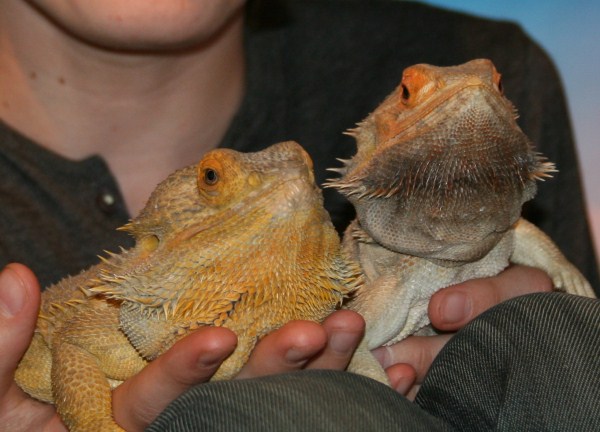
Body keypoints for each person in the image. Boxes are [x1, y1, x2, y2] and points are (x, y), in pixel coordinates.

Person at [0, 0, 597, 430]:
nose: (290, 189)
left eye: (306, 180)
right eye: (215, 181)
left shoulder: (484, 96)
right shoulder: (116, 312)